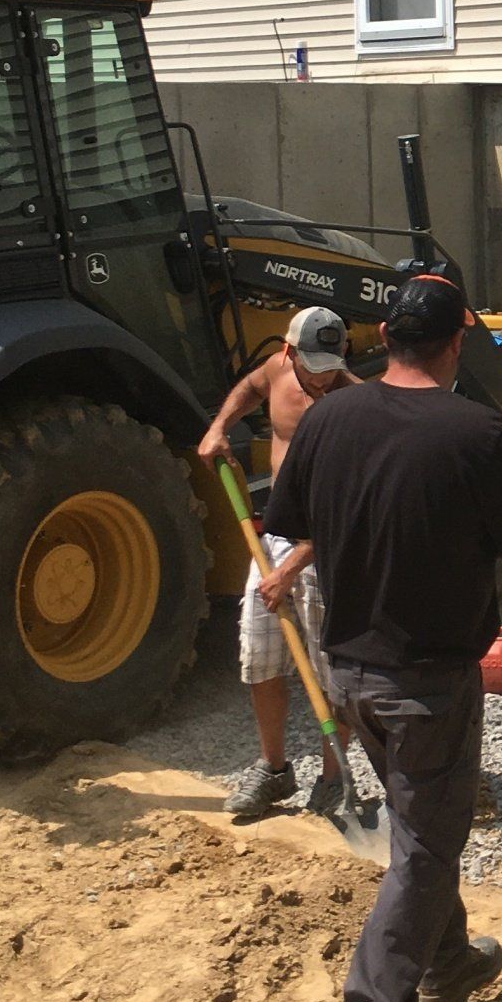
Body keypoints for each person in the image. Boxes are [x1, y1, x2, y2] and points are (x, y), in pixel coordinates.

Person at [259, 273, 502, 1002]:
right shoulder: (475, 431)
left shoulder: (330, 420)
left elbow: (291, 519)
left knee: (422, 826)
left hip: (349, 674)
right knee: (423, 849)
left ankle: (447, 963)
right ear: (457, 341)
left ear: (383, 339)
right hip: (427, 684)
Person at [198, 306, 360, 822]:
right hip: (272, 540)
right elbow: (249, 386)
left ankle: (336, 774)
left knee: (330, 667)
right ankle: (274, 769)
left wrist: (291, 571)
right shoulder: (277, 369)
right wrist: (220, 426)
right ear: (289, 353)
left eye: (332, 363)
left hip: (329, 549)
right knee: (260, 655)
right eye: (312, 364)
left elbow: (352, 510)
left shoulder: (355, 406)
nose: (322, 376)